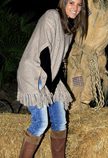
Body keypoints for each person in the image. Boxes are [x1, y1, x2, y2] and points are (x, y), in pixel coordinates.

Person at [17, 0, 88, 157]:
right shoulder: (52, 16)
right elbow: (45, 52)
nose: (75, 8)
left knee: (60, 122)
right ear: (63, 3)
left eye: (79, 4)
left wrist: (57, 83)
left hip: (51, 74)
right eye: (71, 3)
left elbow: (60, 59)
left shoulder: (70, 27)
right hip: (35, 72)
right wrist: (49, 87)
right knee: (41, 123)